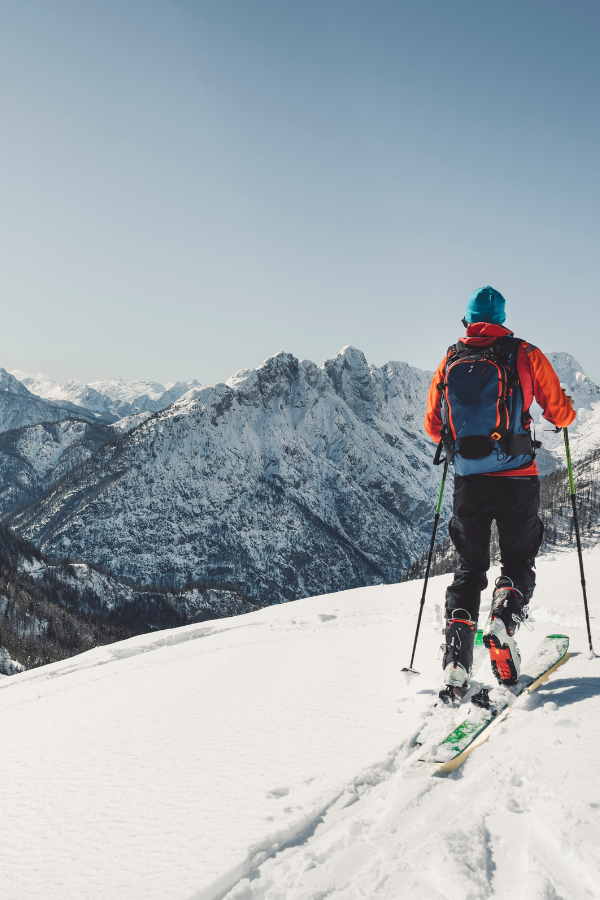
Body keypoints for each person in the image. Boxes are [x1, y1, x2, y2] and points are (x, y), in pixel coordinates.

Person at [424, 286, 575, 698]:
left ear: (468, 319)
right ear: (503, 317)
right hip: (517, 479)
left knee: (469, 571)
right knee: (518, 561)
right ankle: (502, 623)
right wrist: (564, 410)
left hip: (468, 483)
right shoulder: (524, 353)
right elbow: (560, 413)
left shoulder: (451, 358)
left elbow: (433, 426)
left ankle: (456, 663)